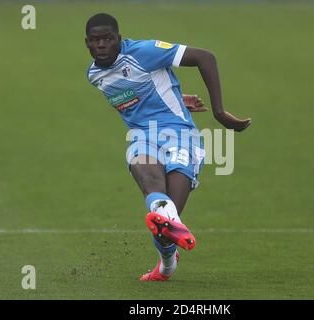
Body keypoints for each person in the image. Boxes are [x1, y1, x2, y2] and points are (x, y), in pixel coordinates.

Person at [85, 13, 251, 281]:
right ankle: (171, 230)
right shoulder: (95, 75)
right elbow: (137, 95)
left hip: (181, 135)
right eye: (95, 40)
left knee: (165, 226)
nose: (102, 45)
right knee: (152, 185)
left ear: (119, 39)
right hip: (142, 136)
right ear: (87, 43)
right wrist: (176, 96)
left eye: (108, 39)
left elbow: (204, 57)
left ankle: (166, 263)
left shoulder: (144, 52)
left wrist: (219, 112)